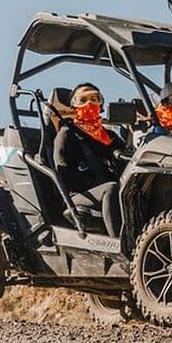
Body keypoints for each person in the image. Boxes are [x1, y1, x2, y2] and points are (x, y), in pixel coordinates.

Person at [53, 83, 126, 237]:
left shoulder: (110, 136)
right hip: (80, 195)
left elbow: (125, 161)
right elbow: (64, 174)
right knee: (111, 189)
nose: (89, 104)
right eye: (83, 100)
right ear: (74, 106)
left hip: (112, 187)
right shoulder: (67, 134)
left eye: (94, 99)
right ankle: (120, 244)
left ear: (101, 103)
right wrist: (92, 181)